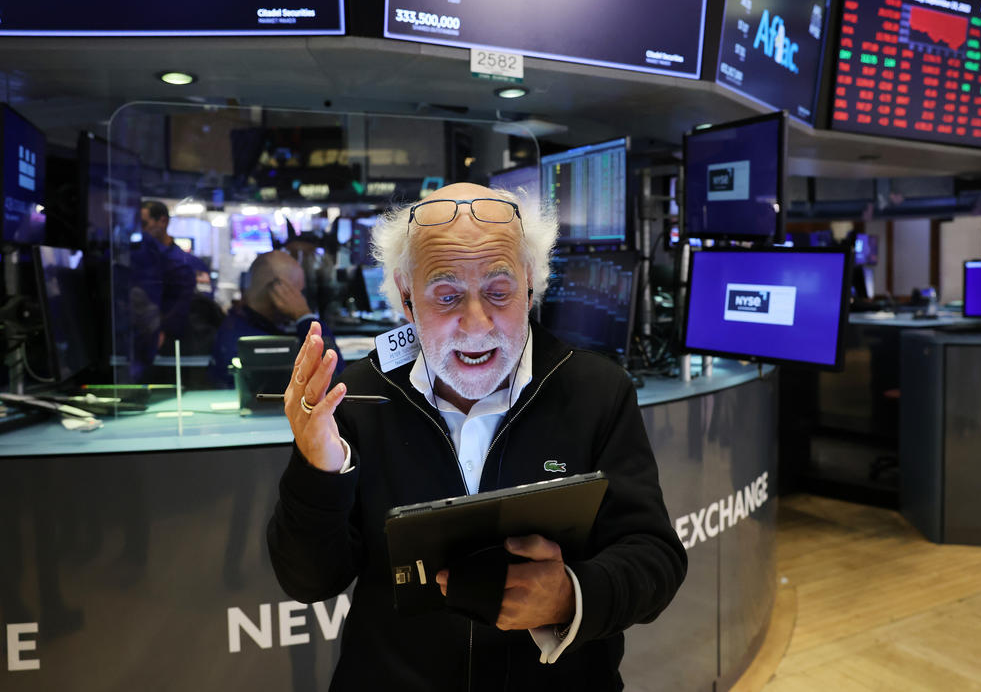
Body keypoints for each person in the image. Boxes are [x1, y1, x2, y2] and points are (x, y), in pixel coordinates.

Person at [267, 184, 687, 690]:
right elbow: (310, 581)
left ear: (530, 284)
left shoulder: (596, 391)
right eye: (446, 296)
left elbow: (655, 556)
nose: (476, 323)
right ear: (406, 297)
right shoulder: (355, 399)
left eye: (498, 291)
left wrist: (571, 596)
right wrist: (319, 468)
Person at [209, 250, 344, 387]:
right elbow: (334, 381)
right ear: (280, 290)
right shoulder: (259, 345)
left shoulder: (238, 322)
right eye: (299, 291)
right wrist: (304, 316)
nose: (301, 299)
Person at [139, 200, 196, 350]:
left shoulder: (183, 262)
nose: (140, 230)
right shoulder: (135, 258)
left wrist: (161, 328)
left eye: (144, 224)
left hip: (169, 342)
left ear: (162, 221)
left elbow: (188, 308)